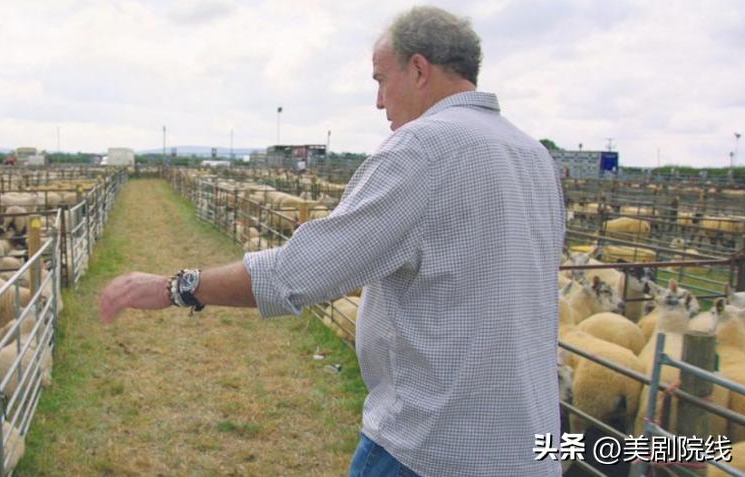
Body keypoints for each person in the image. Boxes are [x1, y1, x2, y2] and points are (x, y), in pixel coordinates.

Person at [98, 6, 564, 477]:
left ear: (419, 69)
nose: (380, 102)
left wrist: (176, 288)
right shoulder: (533, 155)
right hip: (527, 446)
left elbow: (299, 274)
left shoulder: (424, 148)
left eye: (381, 80)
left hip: (434, 444)